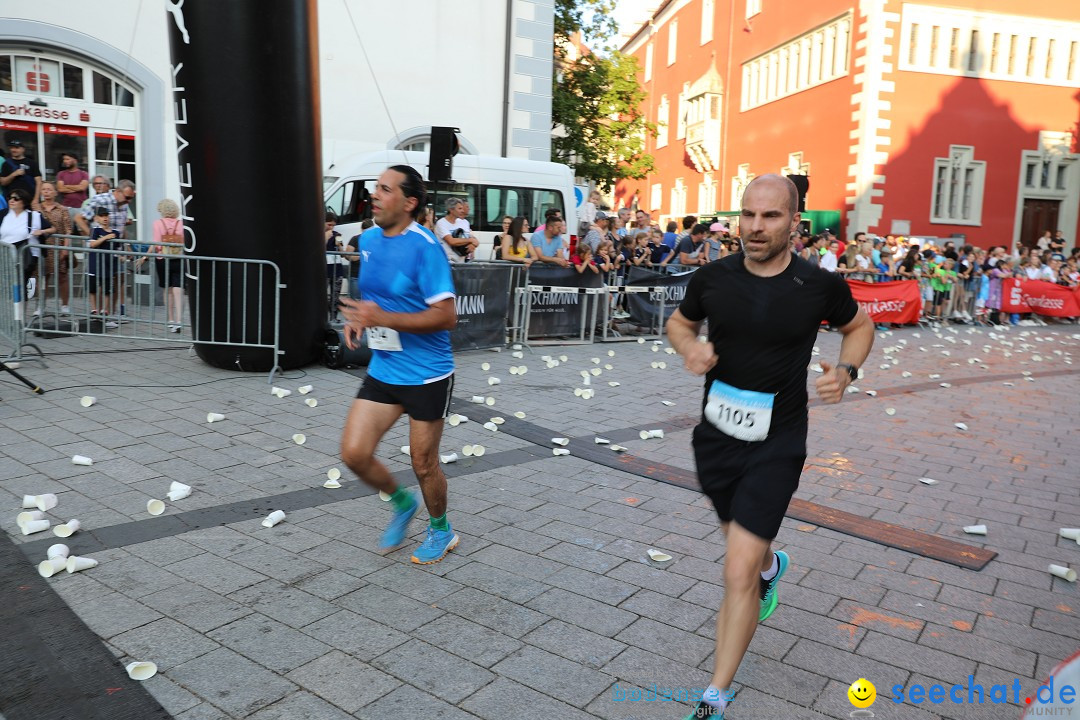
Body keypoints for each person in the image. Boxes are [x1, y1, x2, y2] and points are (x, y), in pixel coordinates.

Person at [665, 174, 873, 719]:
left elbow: (860, 327)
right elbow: (679, 324)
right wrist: (690, 347)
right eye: (748, 215)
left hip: (777, 442)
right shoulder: (712, 278)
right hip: (715, 441)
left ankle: (716, 695)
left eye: (771, 216)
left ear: (795, 222)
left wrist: (847, 370)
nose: (756, 228)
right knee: (745, 552)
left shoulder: (818, 285)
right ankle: (768, 567)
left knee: (735, 570)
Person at [339, 164, 460, 565]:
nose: (375, 194)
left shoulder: (426, 246)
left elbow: (446, 317)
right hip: (385, 369)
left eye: (385, 189)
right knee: (354, 454)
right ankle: (403, 503)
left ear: (409, 202)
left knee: (424, 464)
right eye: (375, 187)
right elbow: (378, 300)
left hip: (428, 374)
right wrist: (360, 321)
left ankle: (441, 530)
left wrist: (381, 319)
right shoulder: (369, 239)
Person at [0, 189, 48, 301]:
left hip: (25, 256)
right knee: (6, 287)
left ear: (24, 202)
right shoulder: (3, 214)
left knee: (20, 285)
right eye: (10, 198)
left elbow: (51, 228)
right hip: (5, 255)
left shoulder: (34, 216)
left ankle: (20, 316)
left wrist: (42, 232)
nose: (12, 200)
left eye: (16, 198)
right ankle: (9, 315)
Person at [37, 181, 74, 315]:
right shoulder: (37, 209)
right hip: (42, 246)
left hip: (58, 246)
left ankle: (64, 305)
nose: (46, 192)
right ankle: (41, 306)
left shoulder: (62, 209)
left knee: (62, 277)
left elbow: (68, 230)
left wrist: (65, 248)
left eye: (49, 189)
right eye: (44, 189)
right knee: (42, 277)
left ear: (55, 192)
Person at [152, 199, 186, 332]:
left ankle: (170, 319)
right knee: (179, 290)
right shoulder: (181, 224)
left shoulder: (157, 223)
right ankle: (179, 320)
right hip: (178, 258)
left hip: (163, 259)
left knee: (168, 290)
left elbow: (157, 244)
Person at [87, 206, 119, 327]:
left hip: (108, 264)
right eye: (102, 216)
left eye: (106, 215)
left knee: (107, 289)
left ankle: (105, 311)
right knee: (93, 288)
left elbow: (117, 248)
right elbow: (92, 244)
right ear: (96, 218)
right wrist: (106, 237)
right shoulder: (95, 230)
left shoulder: (115, 232)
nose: (105, 218)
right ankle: (94, 309)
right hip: (94, 264)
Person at [434, 197, 477, 263]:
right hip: (447, 262)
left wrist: (473, 245)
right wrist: (470, 240)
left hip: (461, 263)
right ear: (451, 210)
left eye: (462, 208)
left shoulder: (464, 222)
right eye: (459, 208)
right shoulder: (441, 223)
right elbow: (451, 241)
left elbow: (475, 241)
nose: (462, 211)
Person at [0, 140, 42, 206]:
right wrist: (14, 174)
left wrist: (36, 199)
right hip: (12, 200)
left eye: (16, 148)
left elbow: (39, 182)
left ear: (23, 149)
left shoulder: (32, 163)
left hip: (29, 200)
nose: (13, 150)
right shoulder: (6, 164)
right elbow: (3, 182)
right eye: (12, 148)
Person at [55, 152, 90, 219]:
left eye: (68, 159)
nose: (65, 161)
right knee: (68, 228)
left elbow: (82, 188)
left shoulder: (83, 174)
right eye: (64, 159)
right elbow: (60, 189)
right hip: (66, 207)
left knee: (81, 228)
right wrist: (77, 187)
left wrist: (66, 186)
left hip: (81, 207)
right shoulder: (61, 174)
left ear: (75, 160)